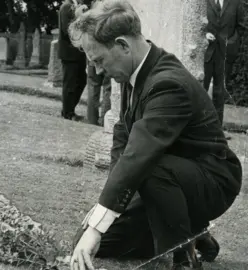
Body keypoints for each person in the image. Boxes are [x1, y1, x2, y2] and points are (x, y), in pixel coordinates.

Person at [67, 1, 243, 269]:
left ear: (123, 45)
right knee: (100, 239)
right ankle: (195, 234)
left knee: (148, 167)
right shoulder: (133, 73)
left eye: (99, 60)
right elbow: (122, 142)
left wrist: (98, 223)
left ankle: (181, 257)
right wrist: (105, 218)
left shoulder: (167, 83)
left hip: (212, 180)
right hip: (166, 178)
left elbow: (139, 155)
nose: (99, 70)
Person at [204, 0, 245, 135]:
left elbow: (241, 26)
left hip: (225, 54)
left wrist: (231, 42)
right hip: (206, 52)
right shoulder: (205, 2)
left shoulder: (236, 3)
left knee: (219, 91)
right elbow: (199, 22)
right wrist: (205, 35)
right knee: (201, 89)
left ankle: (216, 131)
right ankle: (199, 128)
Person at [58, 0, 87, 121]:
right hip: (69, 53)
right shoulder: (66, 7)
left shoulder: (75, 6)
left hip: (78, 53)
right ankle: (67, 113)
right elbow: (67, 30)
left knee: (81, 81)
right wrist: (80, 17)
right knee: (69, 83)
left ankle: (69, 109)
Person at [86, 61, 112, 126]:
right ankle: (104, 120)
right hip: (108, 62)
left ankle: (92, 120)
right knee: (108, 90)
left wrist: (87, 63)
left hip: (92, 61)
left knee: (92, 89)